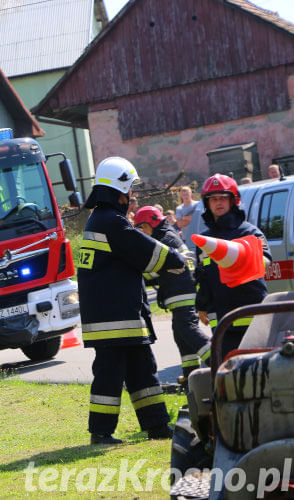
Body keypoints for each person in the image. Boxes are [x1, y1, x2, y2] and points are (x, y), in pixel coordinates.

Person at [77, 157, 187, 445]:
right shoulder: (111, 222)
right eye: (131, 190)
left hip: (117, 314)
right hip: (115, 317)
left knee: (142, 370)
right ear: (120, 189)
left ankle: (157, 426)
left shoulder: (100, 219)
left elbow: (128, 262)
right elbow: (145, 250)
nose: (133, 196)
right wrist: (177, 259)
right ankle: (100, 433)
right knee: (110, 375)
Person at [195, 174, 271, 358]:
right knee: (228, 372)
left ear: (233, 200)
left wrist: (241, 257)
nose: (218, 203)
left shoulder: (249, 232)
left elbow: (265, 261)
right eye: (213, 199)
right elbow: (203, 276)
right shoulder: (205, 240)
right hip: (221, 318)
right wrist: (202, 304)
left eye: (223, 198)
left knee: (258, 368)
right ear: (207, 203)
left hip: (251, 312)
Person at [134, 206, 211, 380]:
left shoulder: (164, 240)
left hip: (182, 293)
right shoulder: (167, 236)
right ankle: (191, 375)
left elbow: (153, 271)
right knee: (181, 334)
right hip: (182, 291)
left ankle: (218, 361)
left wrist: (136, 273)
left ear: (151, 224)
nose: (142, 233)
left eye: (142, 228)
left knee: (187, 329)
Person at [175, 185, 207, 252]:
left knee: (204, 257)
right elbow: (179, 224)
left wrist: (185, 218)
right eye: (183, 194)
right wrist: (193, 218)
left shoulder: (198, 204)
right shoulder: (179, 208)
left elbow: (201, 219)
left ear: (191, 194)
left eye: (187, 194)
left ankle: (207, 263)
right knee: (192, 257)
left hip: (200, 236)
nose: (186, 196)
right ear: (181, 196)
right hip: (187, 238)